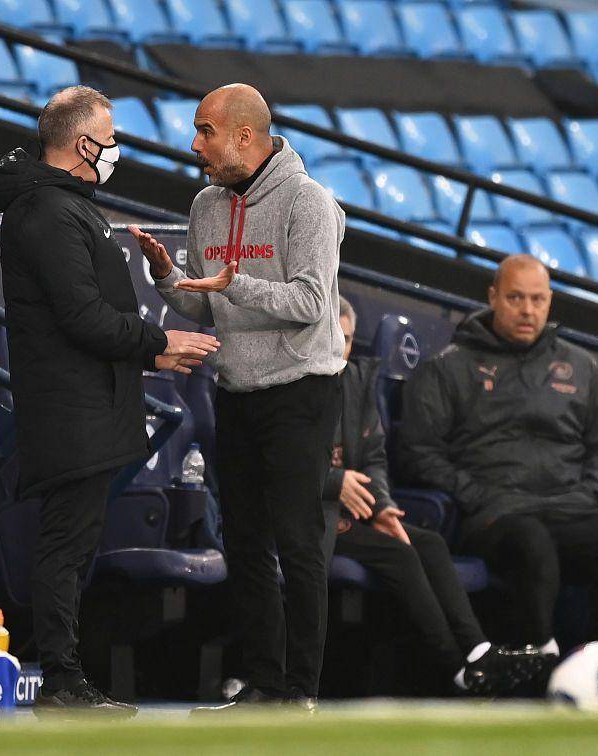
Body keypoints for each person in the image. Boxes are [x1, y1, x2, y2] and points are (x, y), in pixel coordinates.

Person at [0, 85, 220, 716]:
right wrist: (159, 340)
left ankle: (68, 677)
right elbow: (82, 317)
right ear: (83, 143)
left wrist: (150, 355)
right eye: (109, 137)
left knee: (75, 545)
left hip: (88, 403)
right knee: (65, 546)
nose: (115, 148)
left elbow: (90, 317)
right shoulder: (48, 211)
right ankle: (61, 681)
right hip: (71, 408)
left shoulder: (63, 205)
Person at [129, 83, 344, 712]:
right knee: (245, 543)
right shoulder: (205, 205)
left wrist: (234, 284)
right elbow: (206, 306)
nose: (195, 145)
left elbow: (310, 302)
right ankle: (264, 684)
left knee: (298, 543)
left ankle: (302, 691)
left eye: (205, 131)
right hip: (237, 390)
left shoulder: (309, 201)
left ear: (243, 136)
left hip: (303, 389)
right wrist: (168, 276)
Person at [396, 255, 598, 660]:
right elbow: (417, 450)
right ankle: (536, 663)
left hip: (569, 508)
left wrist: (589, 494)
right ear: (493, 297)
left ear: (549, 302)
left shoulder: (580, 365)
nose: (528, 310)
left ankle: (590, 661)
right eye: (515, 298)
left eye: (537, 299)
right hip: (495, 514)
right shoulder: (448, 367)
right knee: (533, 545)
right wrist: (475, 495)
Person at [324, 296, 542, 695]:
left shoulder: (357, 380)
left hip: (352, 511)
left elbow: (373, 456)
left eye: (348, 339)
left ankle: (478, 652)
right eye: (332, 337)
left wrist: (382, 507)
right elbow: (277, 463)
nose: (341, 348)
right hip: (307, 515)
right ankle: (458, 672)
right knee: (400, 553)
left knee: (429, 543)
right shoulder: (291, 382)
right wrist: (335, 481)